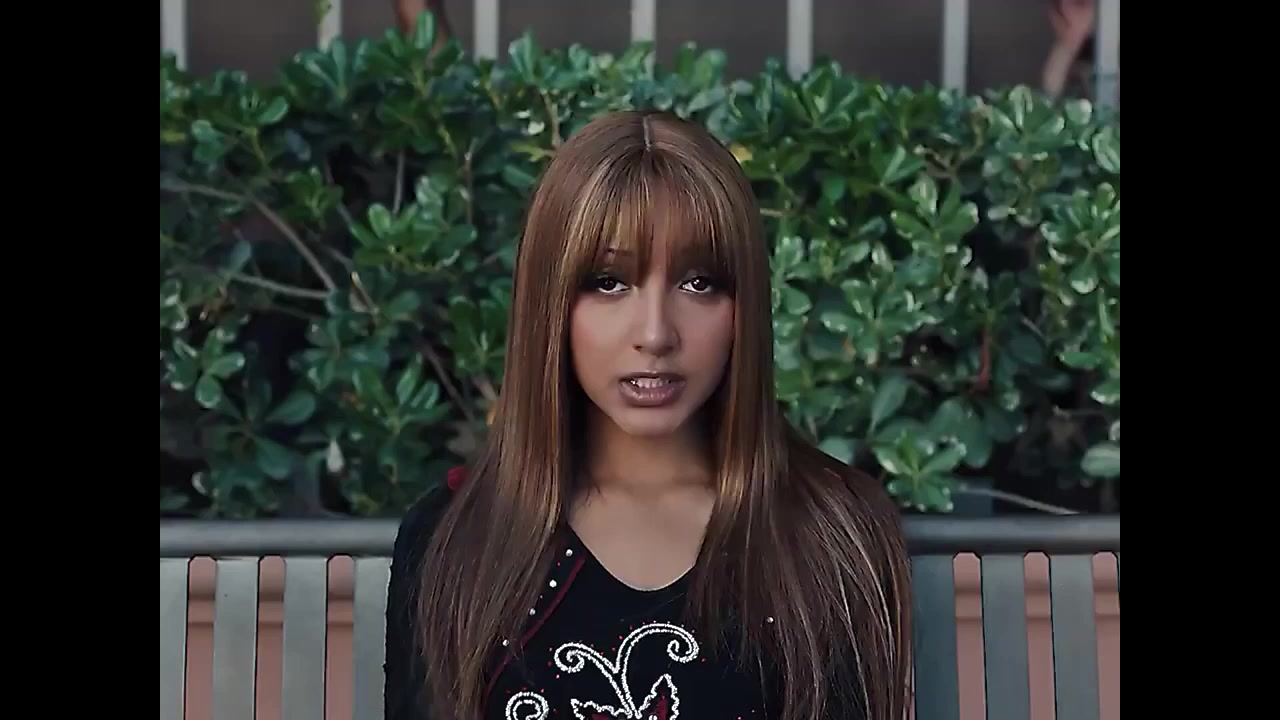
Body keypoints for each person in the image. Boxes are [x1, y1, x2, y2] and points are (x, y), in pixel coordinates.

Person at [384, 110, 913, 720]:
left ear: (745, 305)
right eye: (609, 282)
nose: (656, 334)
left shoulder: (832, 534)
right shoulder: (455, 539)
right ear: (550, 302)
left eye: (699, 283)